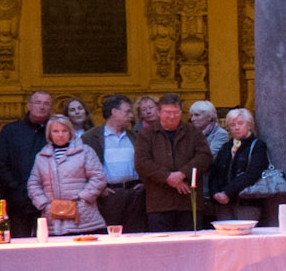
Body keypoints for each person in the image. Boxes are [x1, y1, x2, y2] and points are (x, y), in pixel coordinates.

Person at [134, 93, 213, 232]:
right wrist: (168, 177)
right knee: (161, 248)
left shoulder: (193, 132)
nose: (172, 116)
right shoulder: (145, 135)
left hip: (189, 202)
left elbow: (204, 157)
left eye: (176, 112)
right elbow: (142, 163)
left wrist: (182, 173)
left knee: (191, 247)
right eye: (167, 112)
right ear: (159, 112)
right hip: (159, 204)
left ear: (181, 112)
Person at [26, 114, 107, 237]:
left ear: (70, 132)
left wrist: (83, 198)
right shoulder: (42, 156)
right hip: (53, 219)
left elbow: (98, 177)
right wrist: (44, 204)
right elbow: (33, 184)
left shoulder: (85, 151)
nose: (60, 135)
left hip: (83, 217)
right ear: (49, 134)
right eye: (55, 131)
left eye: (64, 131)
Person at [81, 94, 146, 233]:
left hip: (134, 194)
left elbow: (144, 160)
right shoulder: (90, 137)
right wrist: (99, 190)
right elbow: (82, 167)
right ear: (114, 112)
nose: (131, 116)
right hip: (108, 197)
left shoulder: (135, 136)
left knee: (136, 236)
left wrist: (143, 182)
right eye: (127, 111)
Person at [0, 90, 53, 237]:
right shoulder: (11, 130)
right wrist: (15, 187)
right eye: (38, 103)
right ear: (29, 105)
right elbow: (0, 163)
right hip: (17, 200)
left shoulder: (56, 132)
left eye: (46, 104)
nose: (42, 107)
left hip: (49, 200)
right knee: (19, 244)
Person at [207, 108, 271, 223]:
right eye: (232, 124)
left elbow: (252, 174)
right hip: (222, 204)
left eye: (240, 123)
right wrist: (215, 193)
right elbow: (214, 173)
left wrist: (227, 192)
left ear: (249, 125)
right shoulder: (226, 147)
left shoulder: (257, 146)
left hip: (246, 203)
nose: (236, 127)